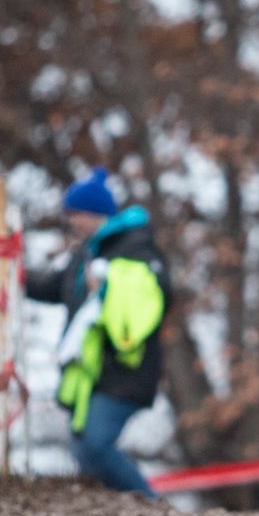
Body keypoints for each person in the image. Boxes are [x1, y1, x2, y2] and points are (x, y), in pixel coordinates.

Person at [25, 167, 170, 497]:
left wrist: (107, 290)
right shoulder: (86, 253)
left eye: (76, 213)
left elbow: (158, 294)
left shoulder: (135, 247)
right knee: (83, 451)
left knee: (94, 445)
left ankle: (155, 509)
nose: (72, 221)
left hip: (125, 370)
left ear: (96, 213)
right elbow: (50, 287)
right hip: (92, 373)